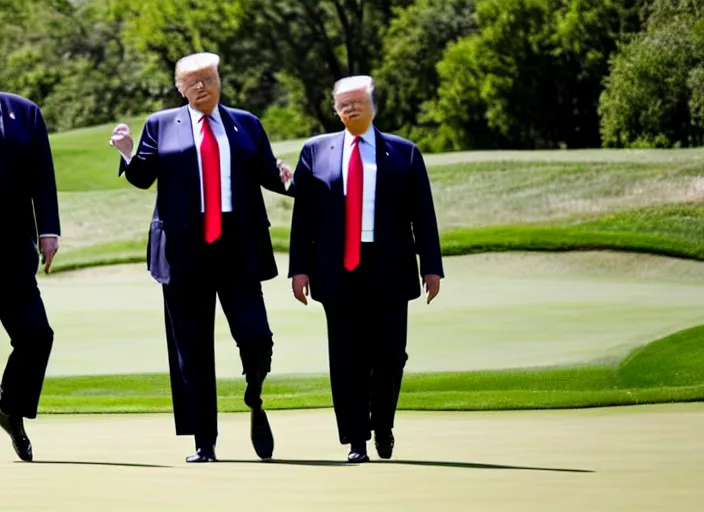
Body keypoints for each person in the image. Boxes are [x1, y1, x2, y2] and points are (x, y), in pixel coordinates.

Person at [109, 52, 294, 463]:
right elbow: (143, 177)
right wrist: (126, 151)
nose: (201, 87)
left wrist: (300, 182)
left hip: (237, 248)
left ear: (218, 80)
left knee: (256, 336)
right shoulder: (160, 124)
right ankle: (203, 442)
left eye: (208, 78)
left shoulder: (246, 124)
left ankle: (254, 393)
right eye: (192, 81)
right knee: (191, 351)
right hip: (182, 252)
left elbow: (271, 175)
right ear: (179, 87)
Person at [287, 75, 444, 463]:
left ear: (373, 106)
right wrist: (299, 269)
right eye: (344, 104)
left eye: (358, 102)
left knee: (391, 356)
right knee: (347, 359)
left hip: (389, 266)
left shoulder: (404, 153)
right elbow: (302, 216)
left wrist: (432, 266)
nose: (351, 108)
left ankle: (383, 423)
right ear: (335, 109)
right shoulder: (315, 152)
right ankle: (356, 440)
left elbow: (423, 215)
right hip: (337, 270)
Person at [0, 92, 61, 462]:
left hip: (12, 249)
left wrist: (48, 229)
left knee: (37, 335)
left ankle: (10, 409)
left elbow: (42, 172)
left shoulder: (23, 112)